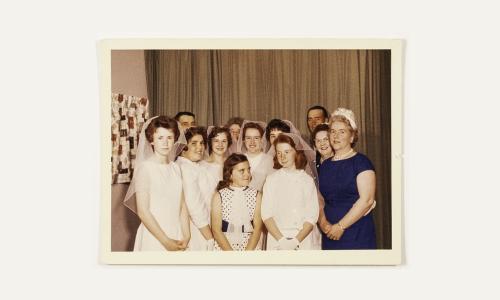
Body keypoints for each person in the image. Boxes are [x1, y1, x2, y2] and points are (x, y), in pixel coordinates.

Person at [123, 116, 190, 251]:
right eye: (160, 138)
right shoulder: (145, 168)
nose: (165, 143)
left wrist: (187, 234)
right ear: (151, 140)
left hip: (177, 233)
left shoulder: (175, 168)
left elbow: (182, 205)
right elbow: (143, 211)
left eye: (169, 138)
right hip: (155, 236)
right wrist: (165, 241)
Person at [318, 108, 377, 249]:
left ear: (352, 137)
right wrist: (323, 222)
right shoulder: (325, 165)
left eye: (342, 132)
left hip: (356, 233)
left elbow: (367, 200)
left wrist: (340, 227)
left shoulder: (361, 162)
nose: (336, 136)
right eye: (332, 131)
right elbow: (320, 199)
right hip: (329, 233)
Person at [261, 134, 320, 250]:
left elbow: (312, 215)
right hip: (277, 239)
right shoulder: (271, 180)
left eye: (287, 152)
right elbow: (266, 214)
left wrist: (295, 241)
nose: (282, 156)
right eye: (279, 153)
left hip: (301, 239)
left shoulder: (307, 180)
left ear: (296, 152)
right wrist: (282, 240)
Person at [211, 154, 263, 251]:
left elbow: (257, 228)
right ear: (230, 174)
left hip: (249, 246)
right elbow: (216, 229)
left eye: (248, 170)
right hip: (225, 246)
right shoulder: (219, 196)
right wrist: (232, 255)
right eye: (241, 171)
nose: (247, 174)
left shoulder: (257, 195)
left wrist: (247, 253)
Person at [176, 126, 216, 250]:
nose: (200, 147)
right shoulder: (185, 168)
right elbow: (194, 206)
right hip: (197, 230)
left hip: (205, 225)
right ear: (183, 147)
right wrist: (210, 238)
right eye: (194, 143)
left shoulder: (194, 166)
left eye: (202, 143)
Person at [236, 121, 274, 192]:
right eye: (248, 138)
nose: (252, 142)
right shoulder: (237, 160)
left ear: (261, 140)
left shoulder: (270, 161)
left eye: (256, 138)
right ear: (243, 140)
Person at [200, 126, 232, 191]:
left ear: (228, 143)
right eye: (216, 141)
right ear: (211, 143)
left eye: (224, 141)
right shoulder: (202, 166)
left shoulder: (232, 163)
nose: (220, 144)